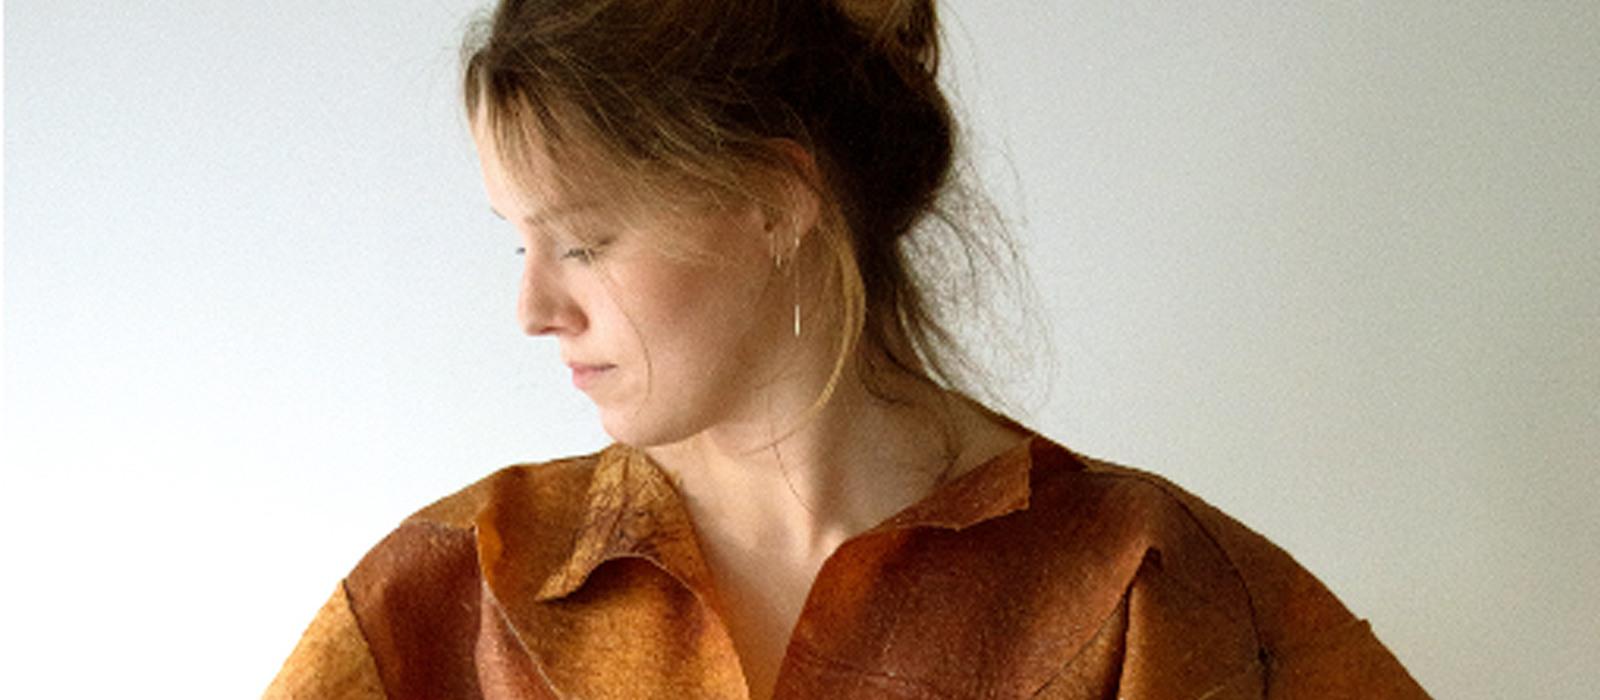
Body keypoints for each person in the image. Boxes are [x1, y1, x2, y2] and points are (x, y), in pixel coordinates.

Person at [264, 0, 1431, 698]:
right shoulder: (464, 591)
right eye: (517, 240)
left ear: (774, 201)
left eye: (584, 242)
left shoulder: (1137, 587)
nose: (531, 307)